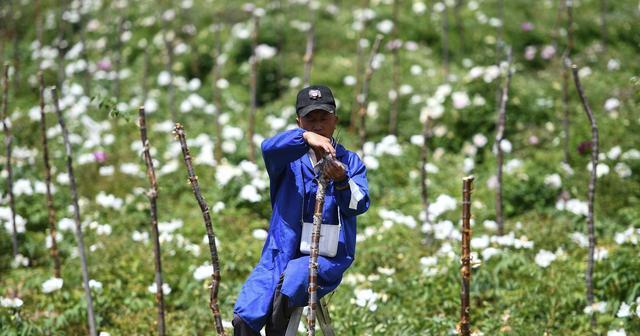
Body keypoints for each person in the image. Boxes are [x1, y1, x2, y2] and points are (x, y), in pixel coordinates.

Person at [232, 85, 370, 335]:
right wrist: (303, 138)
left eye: (324, 118)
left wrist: (341, 180)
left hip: (325, 257)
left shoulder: (350, 162)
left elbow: (359, 204)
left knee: (290, 286)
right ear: (299, 122)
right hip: (279, 253)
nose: (318, 125)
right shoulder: (287, 159)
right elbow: (268, 148)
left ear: (335, 121)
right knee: (246, 315)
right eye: (310, 119)